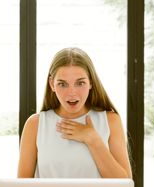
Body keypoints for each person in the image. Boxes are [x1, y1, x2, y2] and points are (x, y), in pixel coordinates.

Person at [17, 47, 132, 178]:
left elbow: (125, 186)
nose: (72, 93)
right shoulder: (35, 125)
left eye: (80, 83)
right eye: (62, 84)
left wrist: (93, 140)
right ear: (52, 84)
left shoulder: (110, 120)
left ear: (91, 83)